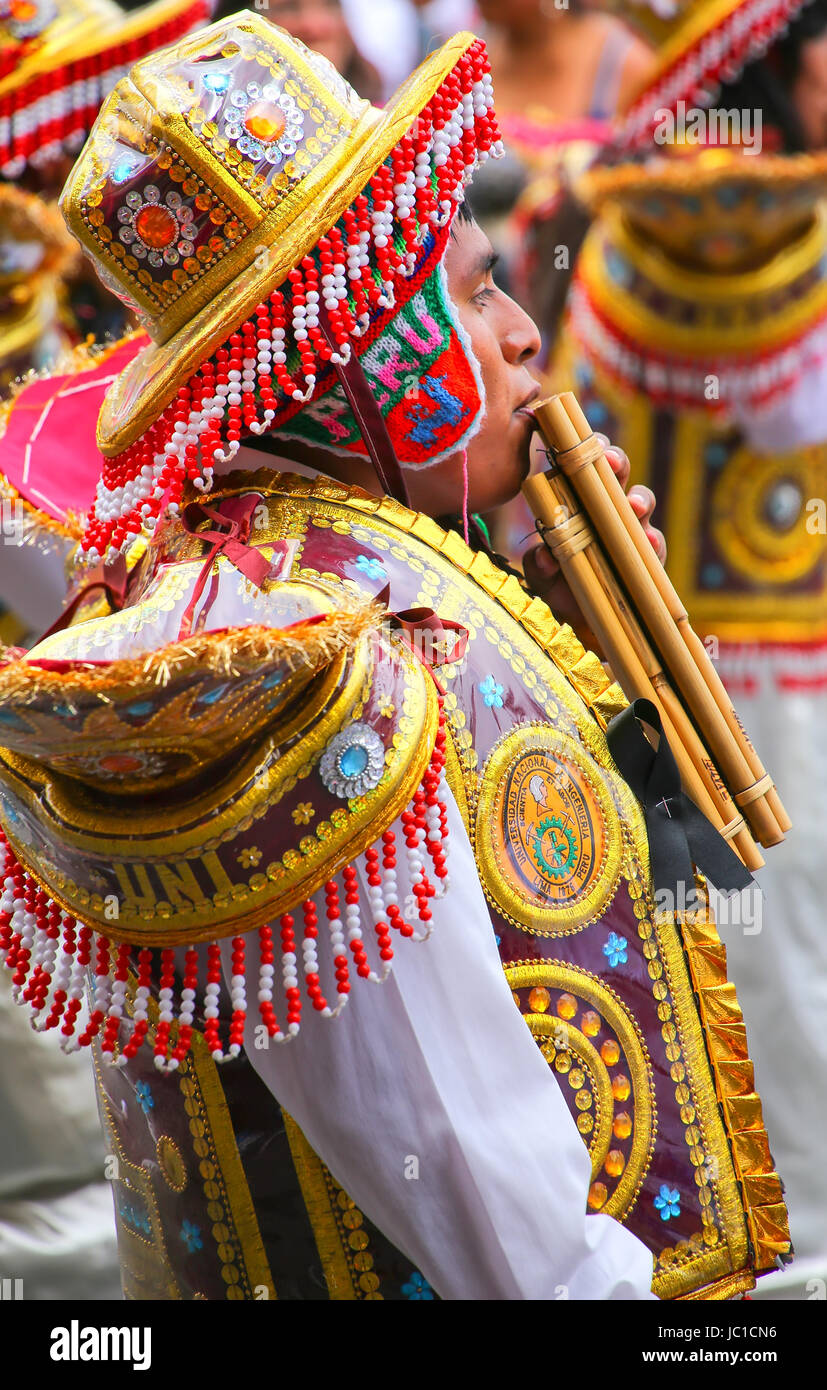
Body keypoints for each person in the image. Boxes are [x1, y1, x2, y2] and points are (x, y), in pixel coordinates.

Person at [0, 10, 789, 1300]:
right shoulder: (293, 662)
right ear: (374, 352)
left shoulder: (350, 566)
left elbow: (620, 897)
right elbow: (468, 1171)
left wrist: (575, 646)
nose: (525, 334)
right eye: (476, 294)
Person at [546, 1, 827, 1299]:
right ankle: (774, 1267)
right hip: (718, 688)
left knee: (746, 952)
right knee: (746, 962)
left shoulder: (636, 231)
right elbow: (782, 418)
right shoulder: (716, 233)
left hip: (714, 676)